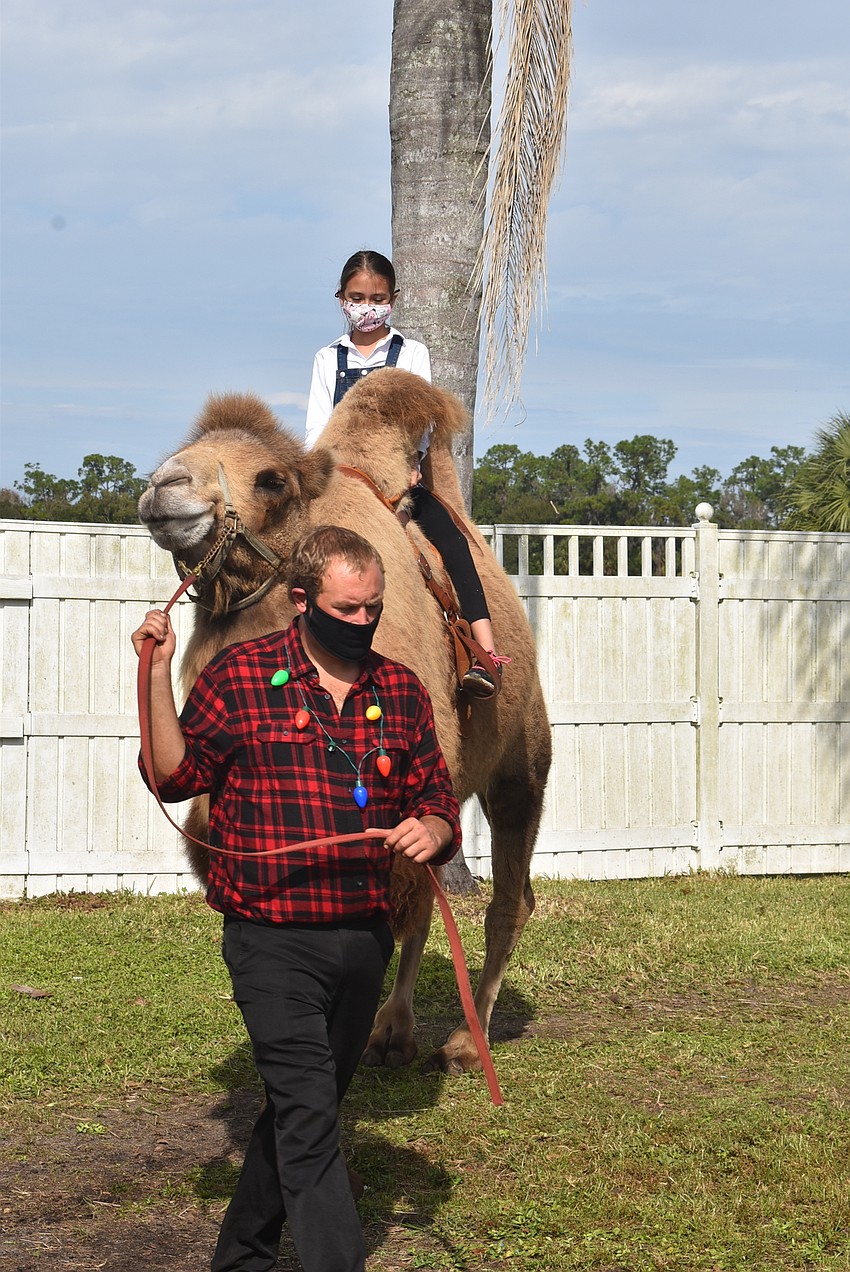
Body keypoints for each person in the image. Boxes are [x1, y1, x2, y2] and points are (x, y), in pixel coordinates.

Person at [132, 525, 461, 1272]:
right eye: (346, 609)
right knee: (313, 1124)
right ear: (300, 601)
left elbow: (437, 799)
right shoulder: (241, 677)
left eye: (372, 608)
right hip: (270, 940)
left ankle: (242, 1257)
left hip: (362, 939)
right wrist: (155, 680)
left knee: (296, 1114)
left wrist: (432, 826)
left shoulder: (400, 691)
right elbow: (174, 778)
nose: (363, 622)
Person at [305, 248, 508, 698]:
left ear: (393, 299)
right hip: (343, 480)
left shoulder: (410, 352)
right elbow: (317, 430)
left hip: (400, 478)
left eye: (377, 297)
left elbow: (422, 416)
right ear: (341, 299)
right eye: (357, 298)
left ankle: (483, 654)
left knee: (453, 542)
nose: (367, 307)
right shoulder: (327, 359)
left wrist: (412, 463)